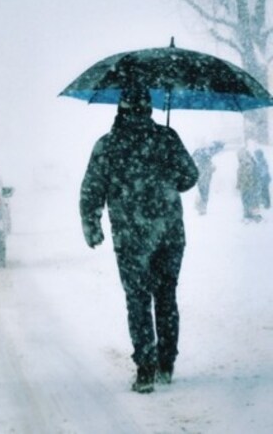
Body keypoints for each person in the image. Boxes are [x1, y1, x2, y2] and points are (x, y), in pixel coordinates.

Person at [79, 84, 199, 394]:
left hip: (131, 237)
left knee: (138, 299)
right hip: (170, 232)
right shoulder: (167, 139)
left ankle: (145, 368)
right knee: (166, 297)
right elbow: (190, 176)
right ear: (149, 109)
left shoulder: (107, 145)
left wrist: (92, 225)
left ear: (119, 110)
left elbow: (92, 190)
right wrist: (167, 175)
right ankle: (166, 363)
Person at [192, 141, 224, 214]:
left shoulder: (199, 152)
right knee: (204, 190)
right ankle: (202, 207)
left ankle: (201, 206)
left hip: (202, 173)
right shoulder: (205, 151)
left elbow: (192, 159)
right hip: (204, 173)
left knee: (203, 190)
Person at [237, 148, 261, 222]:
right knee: (248, 200)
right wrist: (239, 183)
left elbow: (248, 175)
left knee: (251, 200)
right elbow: (240, 174)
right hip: (247, 186)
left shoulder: (247, 163)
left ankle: (252, 215)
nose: (238, 158)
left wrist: (244, 184)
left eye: (239, 156)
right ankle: (249, 214)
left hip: (249, 186)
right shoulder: (247, 162)